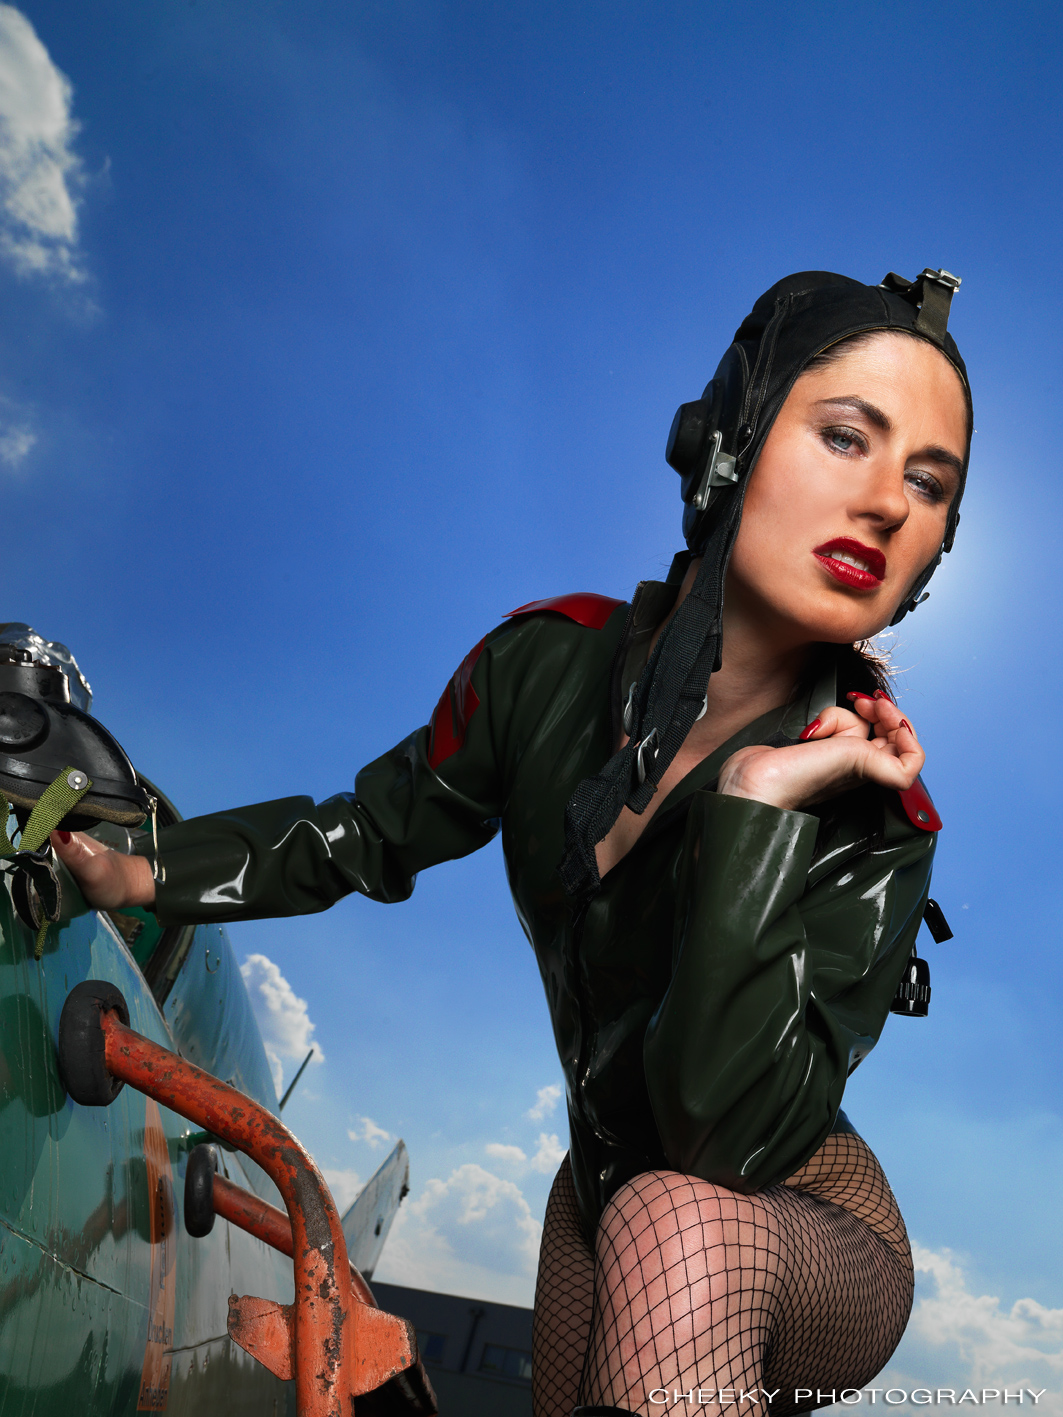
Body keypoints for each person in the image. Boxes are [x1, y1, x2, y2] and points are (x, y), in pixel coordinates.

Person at [55, 268, 972, 1417]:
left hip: (794, 1208)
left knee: (676, 1219)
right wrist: (143, 869)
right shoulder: (539, 666)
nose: (887, 502)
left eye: (927, 483)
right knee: (635, 1228)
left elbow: (717, 1136)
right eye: (845, 436)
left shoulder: (880, 818)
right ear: (729, 440)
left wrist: (755, 810)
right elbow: (367, 830)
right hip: (593, 1193)